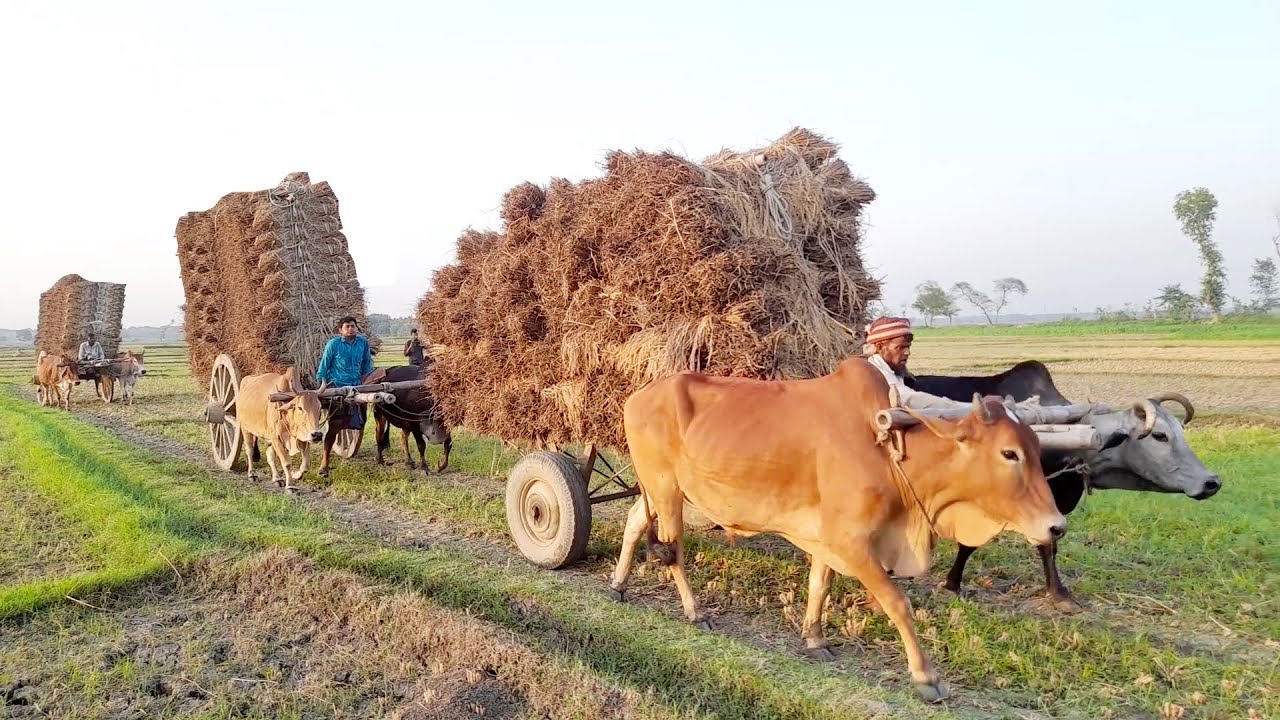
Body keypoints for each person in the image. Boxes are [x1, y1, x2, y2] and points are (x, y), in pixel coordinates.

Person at [862, 316, 976, 411]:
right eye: (900, 348)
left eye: (908, 347)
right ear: (880, 347)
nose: (908, 353)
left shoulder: (894, 372)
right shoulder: (875, 372)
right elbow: (909, 399)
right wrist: (966, 408)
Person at [316, 316, 375, 431]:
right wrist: (321, 384)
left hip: (357, 384)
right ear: (340, 330)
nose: (350, 329)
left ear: (356, 328)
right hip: (338, 384)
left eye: (353, 326)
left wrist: (368, 380)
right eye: (347, 327)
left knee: (362, 417)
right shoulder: (333, 344)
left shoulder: (363, 342)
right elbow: (324, 364)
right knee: (336, 421)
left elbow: (367, 362)